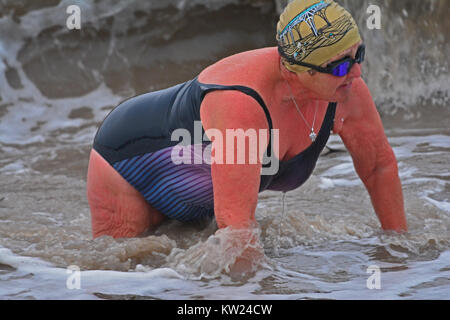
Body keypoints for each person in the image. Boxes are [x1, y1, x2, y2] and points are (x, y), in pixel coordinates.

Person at [87, 0, 407, 251]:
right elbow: (236, 230)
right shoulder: (242, 103)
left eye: (358, 54)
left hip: (194, 193)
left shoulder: (346, 90)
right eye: (338, 66)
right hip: (130, 163)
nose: (356, 73)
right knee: (130, 279)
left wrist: (399, 254)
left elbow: (378, 167)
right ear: (294, 70)